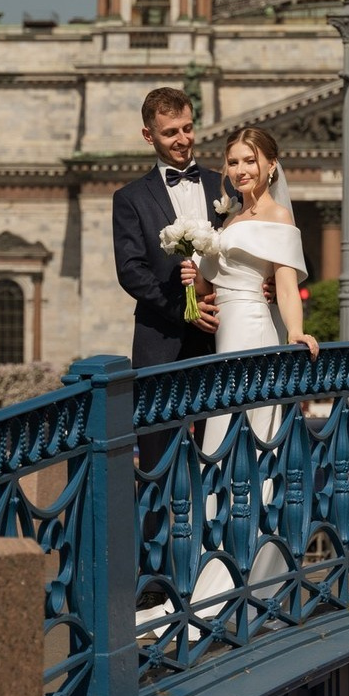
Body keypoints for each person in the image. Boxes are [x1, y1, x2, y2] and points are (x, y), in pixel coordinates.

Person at [176, 126, 318, 633]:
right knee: (219, 448)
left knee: (254, 452)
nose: (240, 170)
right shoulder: (228, 218)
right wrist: (195, 279)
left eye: (250, 161)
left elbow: (282, 282)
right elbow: (219, 281)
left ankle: (257, 580)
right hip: (223, 345)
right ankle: (218, 576)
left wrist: (297, 333)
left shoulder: (278, 217)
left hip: (254, 337)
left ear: (271, 166)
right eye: (233, 162)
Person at [113, 86, 224, 606]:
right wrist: (180, 307)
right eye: (170, 133)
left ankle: (221, 572)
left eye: (187, 129)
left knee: (224, 454)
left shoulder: (226, 187)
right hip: (160, 345)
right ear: (148, 136)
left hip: (222, 343)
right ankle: (155, 584)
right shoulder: (130, 199)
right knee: (157, 463)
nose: (182, 141)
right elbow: (131, 271)